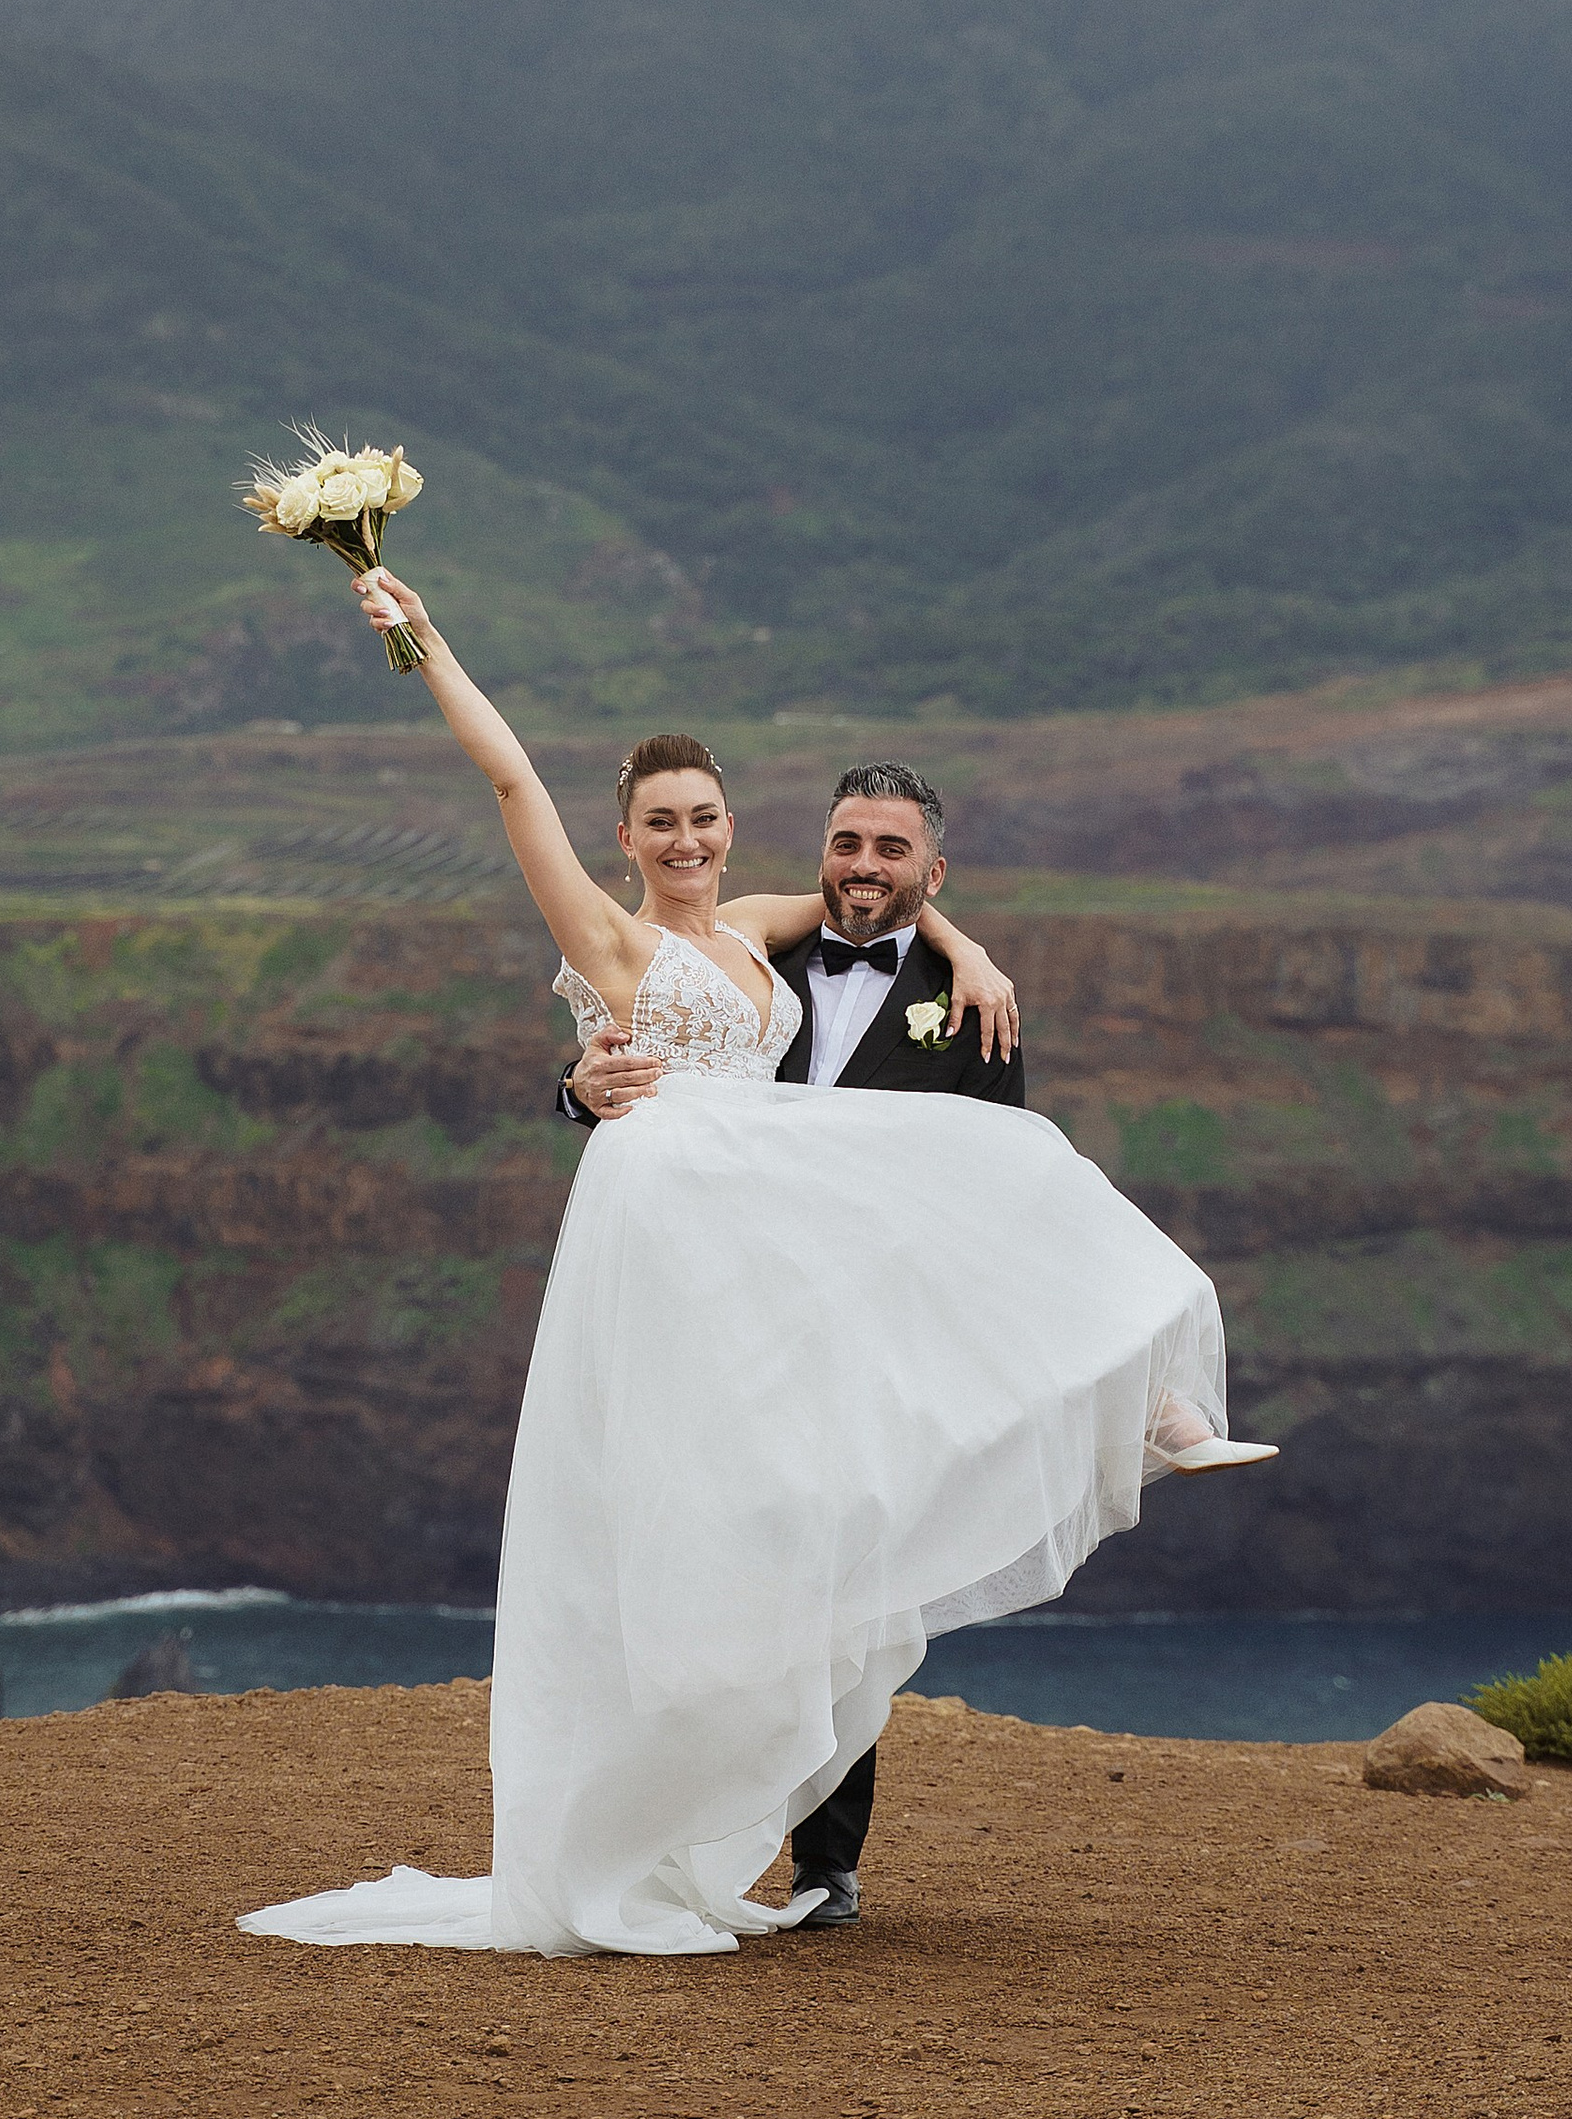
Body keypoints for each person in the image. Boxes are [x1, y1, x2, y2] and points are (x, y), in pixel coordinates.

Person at [237, 564, 1274, 1966]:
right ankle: (663, 1796)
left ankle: (1148, 1404)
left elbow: (875, 911)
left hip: (772, 1218)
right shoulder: (610, 939)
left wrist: (960, 940)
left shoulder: (755, 927)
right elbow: (506, 787)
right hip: (683, 1215)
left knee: (998, 1199)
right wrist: (422, 642)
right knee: (720, 1504)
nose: (684, 839)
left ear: (731, 830)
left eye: (704, 819)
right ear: (624, 838)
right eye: (659, 823)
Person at [558, 761, 1024, 1934]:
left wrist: (962, 950)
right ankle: (672, 1826)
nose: (865, 866)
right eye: (846, 843)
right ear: (818, 851)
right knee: (709, 1563)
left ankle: (829, 1863)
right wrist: (577, 1090)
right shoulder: (751, 950)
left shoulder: (972, 1003)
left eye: (891, 849)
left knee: (851, 1595)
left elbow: (1001, 1188)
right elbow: (644, 1040)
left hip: (868, 1335)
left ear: (932, 869)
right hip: (724, 1314)